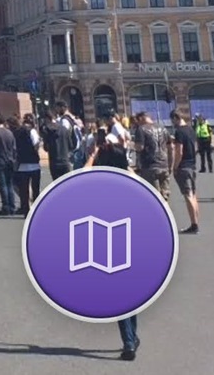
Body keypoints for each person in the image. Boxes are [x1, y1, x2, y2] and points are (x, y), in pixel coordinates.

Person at [88, 129, 139, 359]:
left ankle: (128, 342)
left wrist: (95, 153)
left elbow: (83, 172)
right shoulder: (131, 181)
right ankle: (133, 337)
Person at [171, 110, 200, 235]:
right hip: (192, 165)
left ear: (176, 118)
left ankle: (194, 225)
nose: (172, 123)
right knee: (193, 194)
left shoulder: (179, 132)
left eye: (172, 120)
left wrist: (175, 166)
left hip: (183, 166)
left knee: (187, 195)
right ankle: (196, 221)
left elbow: (179, 151)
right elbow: (196, 147)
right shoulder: (190, 130)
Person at [132, 111, 170, 200]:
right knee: (164, 196)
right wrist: (170, 164)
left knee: (154, 196)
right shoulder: (162, 127)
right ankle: (166, 212)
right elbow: (170, 145)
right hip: (164, 164)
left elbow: (140, 147)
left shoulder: (141, 129)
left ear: (141, 118)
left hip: (150, 166)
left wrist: (132, 145)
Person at [13, 114, 42, 217]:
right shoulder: (32, 131)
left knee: (23, 190)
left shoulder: (17, 132)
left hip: (22, 164)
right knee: (35, 189)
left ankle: (26, 210)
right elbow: (36, 145)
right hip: (34, 164)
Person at [0, 113, 17, 216]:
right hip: (10, 160)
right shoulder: (9, 133)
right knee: (10, 184)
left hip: (0, 160)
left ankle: (5, 207)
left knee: (2, 185)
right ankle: (12, 206)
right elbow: (14, 148)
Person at [42, 109, 73, 181]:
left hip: (54, 161)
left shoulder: (47, 130)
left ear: (47, 118)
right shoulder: (64, 129)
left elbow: (46, 148)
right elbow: (70, 145)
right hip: (65, 160)